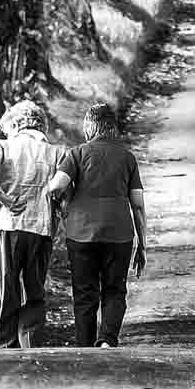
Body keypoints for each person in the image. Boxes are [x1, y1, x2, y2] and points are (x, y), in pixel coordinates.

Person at [45, 102, 147, 348]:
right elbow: (138, 205)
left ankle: (84, 345)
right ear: (112, 129)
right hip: (119, 234)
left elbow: (55, 186)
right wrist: (142, 245)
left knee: (84, 292)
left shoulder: (77, 154)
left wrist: (63, 202)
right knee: (114, 289)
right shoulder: (127, 158)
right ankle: (107, 340)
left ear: (88, 127)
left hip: (81, 234)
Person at [0, 99, 66, 349]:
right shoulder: (56, 152)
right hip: (40, 228)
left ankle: (5, 346)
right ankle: (31, 343)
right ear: (40, 124)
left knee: (9, 286)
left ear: (15, 124)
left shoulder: (3, 146)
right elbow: (63, 190)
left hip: (8, 226)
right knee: (34, 289)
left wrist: (3, 198)